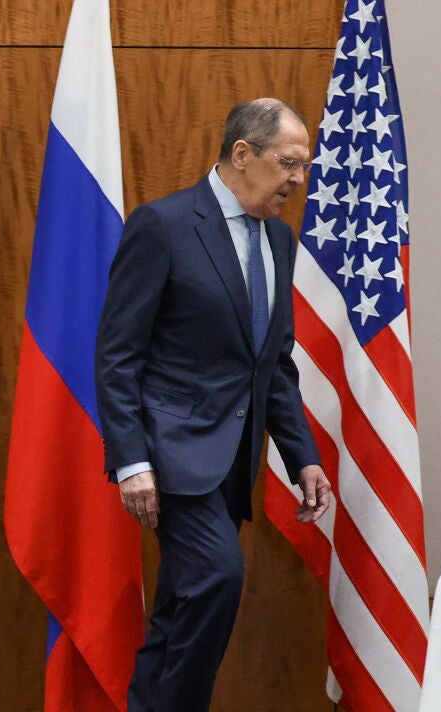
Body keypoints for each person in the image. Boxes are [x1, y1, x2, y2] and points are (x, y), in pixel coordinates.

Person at [95, 98, 333, 711]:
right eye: (288, 163)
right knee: (217, 579)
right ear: (242, 154)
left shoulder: (279, 240)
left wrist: (302, 456)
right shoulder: (163, 225)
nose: (298, 179)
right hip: (172, 454)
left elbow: (272, 364)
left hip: (234, 460)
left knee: (180, 608)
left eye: (304, 166)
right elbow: (118, 354)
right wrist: (131, 460)